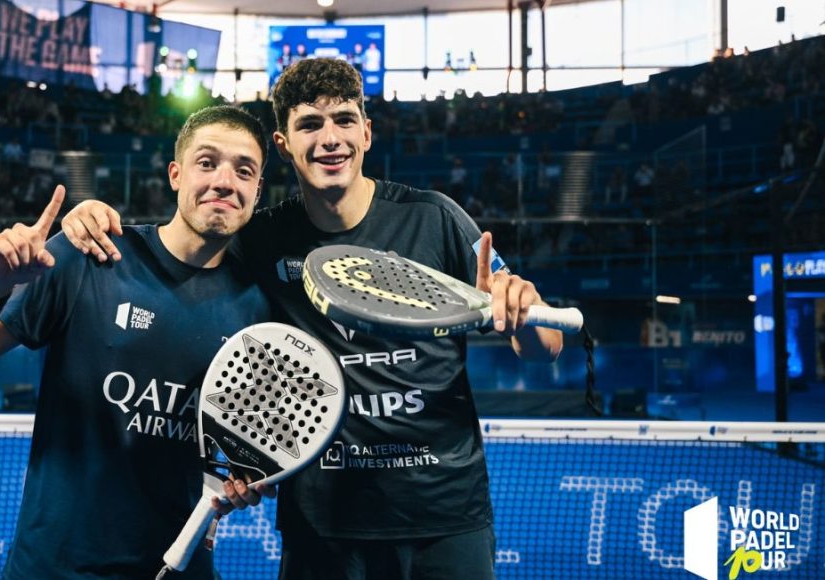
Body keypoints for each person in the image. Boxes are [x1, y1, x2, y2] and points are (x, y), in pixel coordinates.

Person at [62, 58, 565, 579]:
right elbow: (181, 247)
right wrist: (92, 215)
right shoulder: (261, 239)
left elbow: (548, 343)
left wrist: (522, 315)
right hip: (321, 526)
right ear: (282, 144)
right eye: (310, 124)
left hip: (444, 519)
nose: (331, 138)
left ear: (366, 133)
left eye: (345, 120)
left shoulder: (434, 218)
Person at [0, 105, 274, 580]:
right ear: (176, 174)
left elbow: (235, 453)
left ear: (257, 190)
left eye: (244, 170)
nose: (224, 181)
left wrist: (242, 480)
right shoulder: (90, 255)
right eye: (207, 162)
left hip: (175, 570)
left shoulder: (260, 311)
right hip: (53, 569)